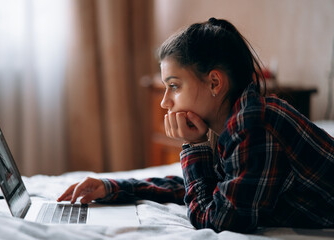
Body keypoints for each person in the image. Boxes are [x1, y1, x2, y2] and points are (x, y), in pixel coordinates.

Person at [58, 17, 334, 233]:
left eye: (174, 87)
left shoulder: (253, 124)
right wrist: (113, 187)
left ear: (214, 82)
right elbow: (202, 187)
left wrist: (195, 145)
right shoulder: (235, 120)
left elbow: (221, 220)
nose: (165, 102)